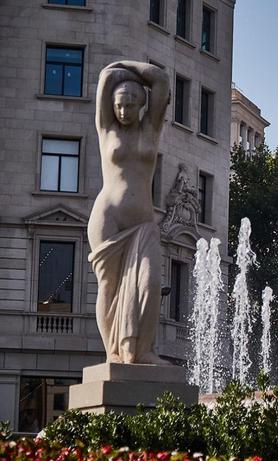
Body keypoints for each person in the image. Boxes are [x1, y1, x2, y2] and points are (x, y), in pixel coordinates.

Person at [87, 61, 170, 364]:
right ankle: (112, 352)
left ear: (141, 106)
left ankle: (143, 350)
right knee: (108, 286)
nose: (123, 111)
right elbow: (105, 76)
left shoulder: (152, 128)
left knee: (149, 282)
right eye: (119, 106)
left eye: (130, 105)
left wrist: (127, 67)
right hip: (107, 217)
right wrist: (115, 70)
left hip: (142, 223)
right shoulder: (106, 129)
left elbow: (160, 80)